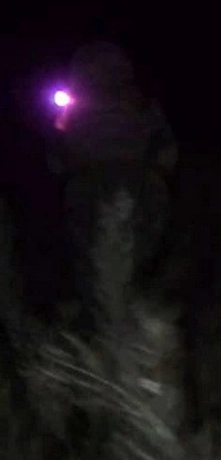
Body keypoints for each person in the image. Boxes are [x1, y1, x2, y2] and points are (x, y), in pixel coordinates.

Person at [48, 40, 177, 334]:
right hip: (139, 188)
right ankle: (134, 335)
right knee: (137, 268)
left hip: (90, 190)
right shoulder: (140, 102)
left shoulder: (75, 109)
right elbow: (168, 153)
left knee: (94, 271)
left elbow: (56, 161)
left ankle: (105, 336)